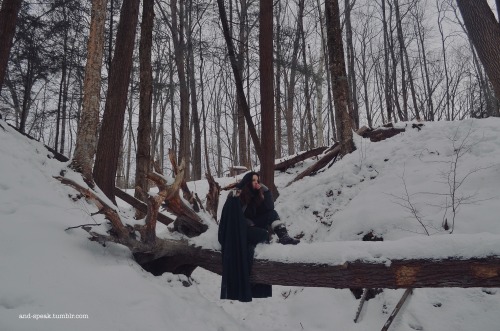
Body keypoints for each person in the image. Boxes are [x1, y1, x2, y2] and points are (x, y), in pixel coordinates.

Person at [218, 171, 299, 302]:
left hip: (251, 226)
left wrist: (265, 190)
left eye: (258, 180)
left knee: (272, 213)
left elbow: (269, 208)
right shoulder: (237, 194)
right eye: (254, 180)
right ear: (247, 182)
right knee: (263, 235)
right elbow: (231, 217)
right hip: (239, 230)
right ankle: (251, 279)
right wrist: (245, 222)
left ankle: (284, 236)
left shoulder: (256, 194)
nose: (257, 183)